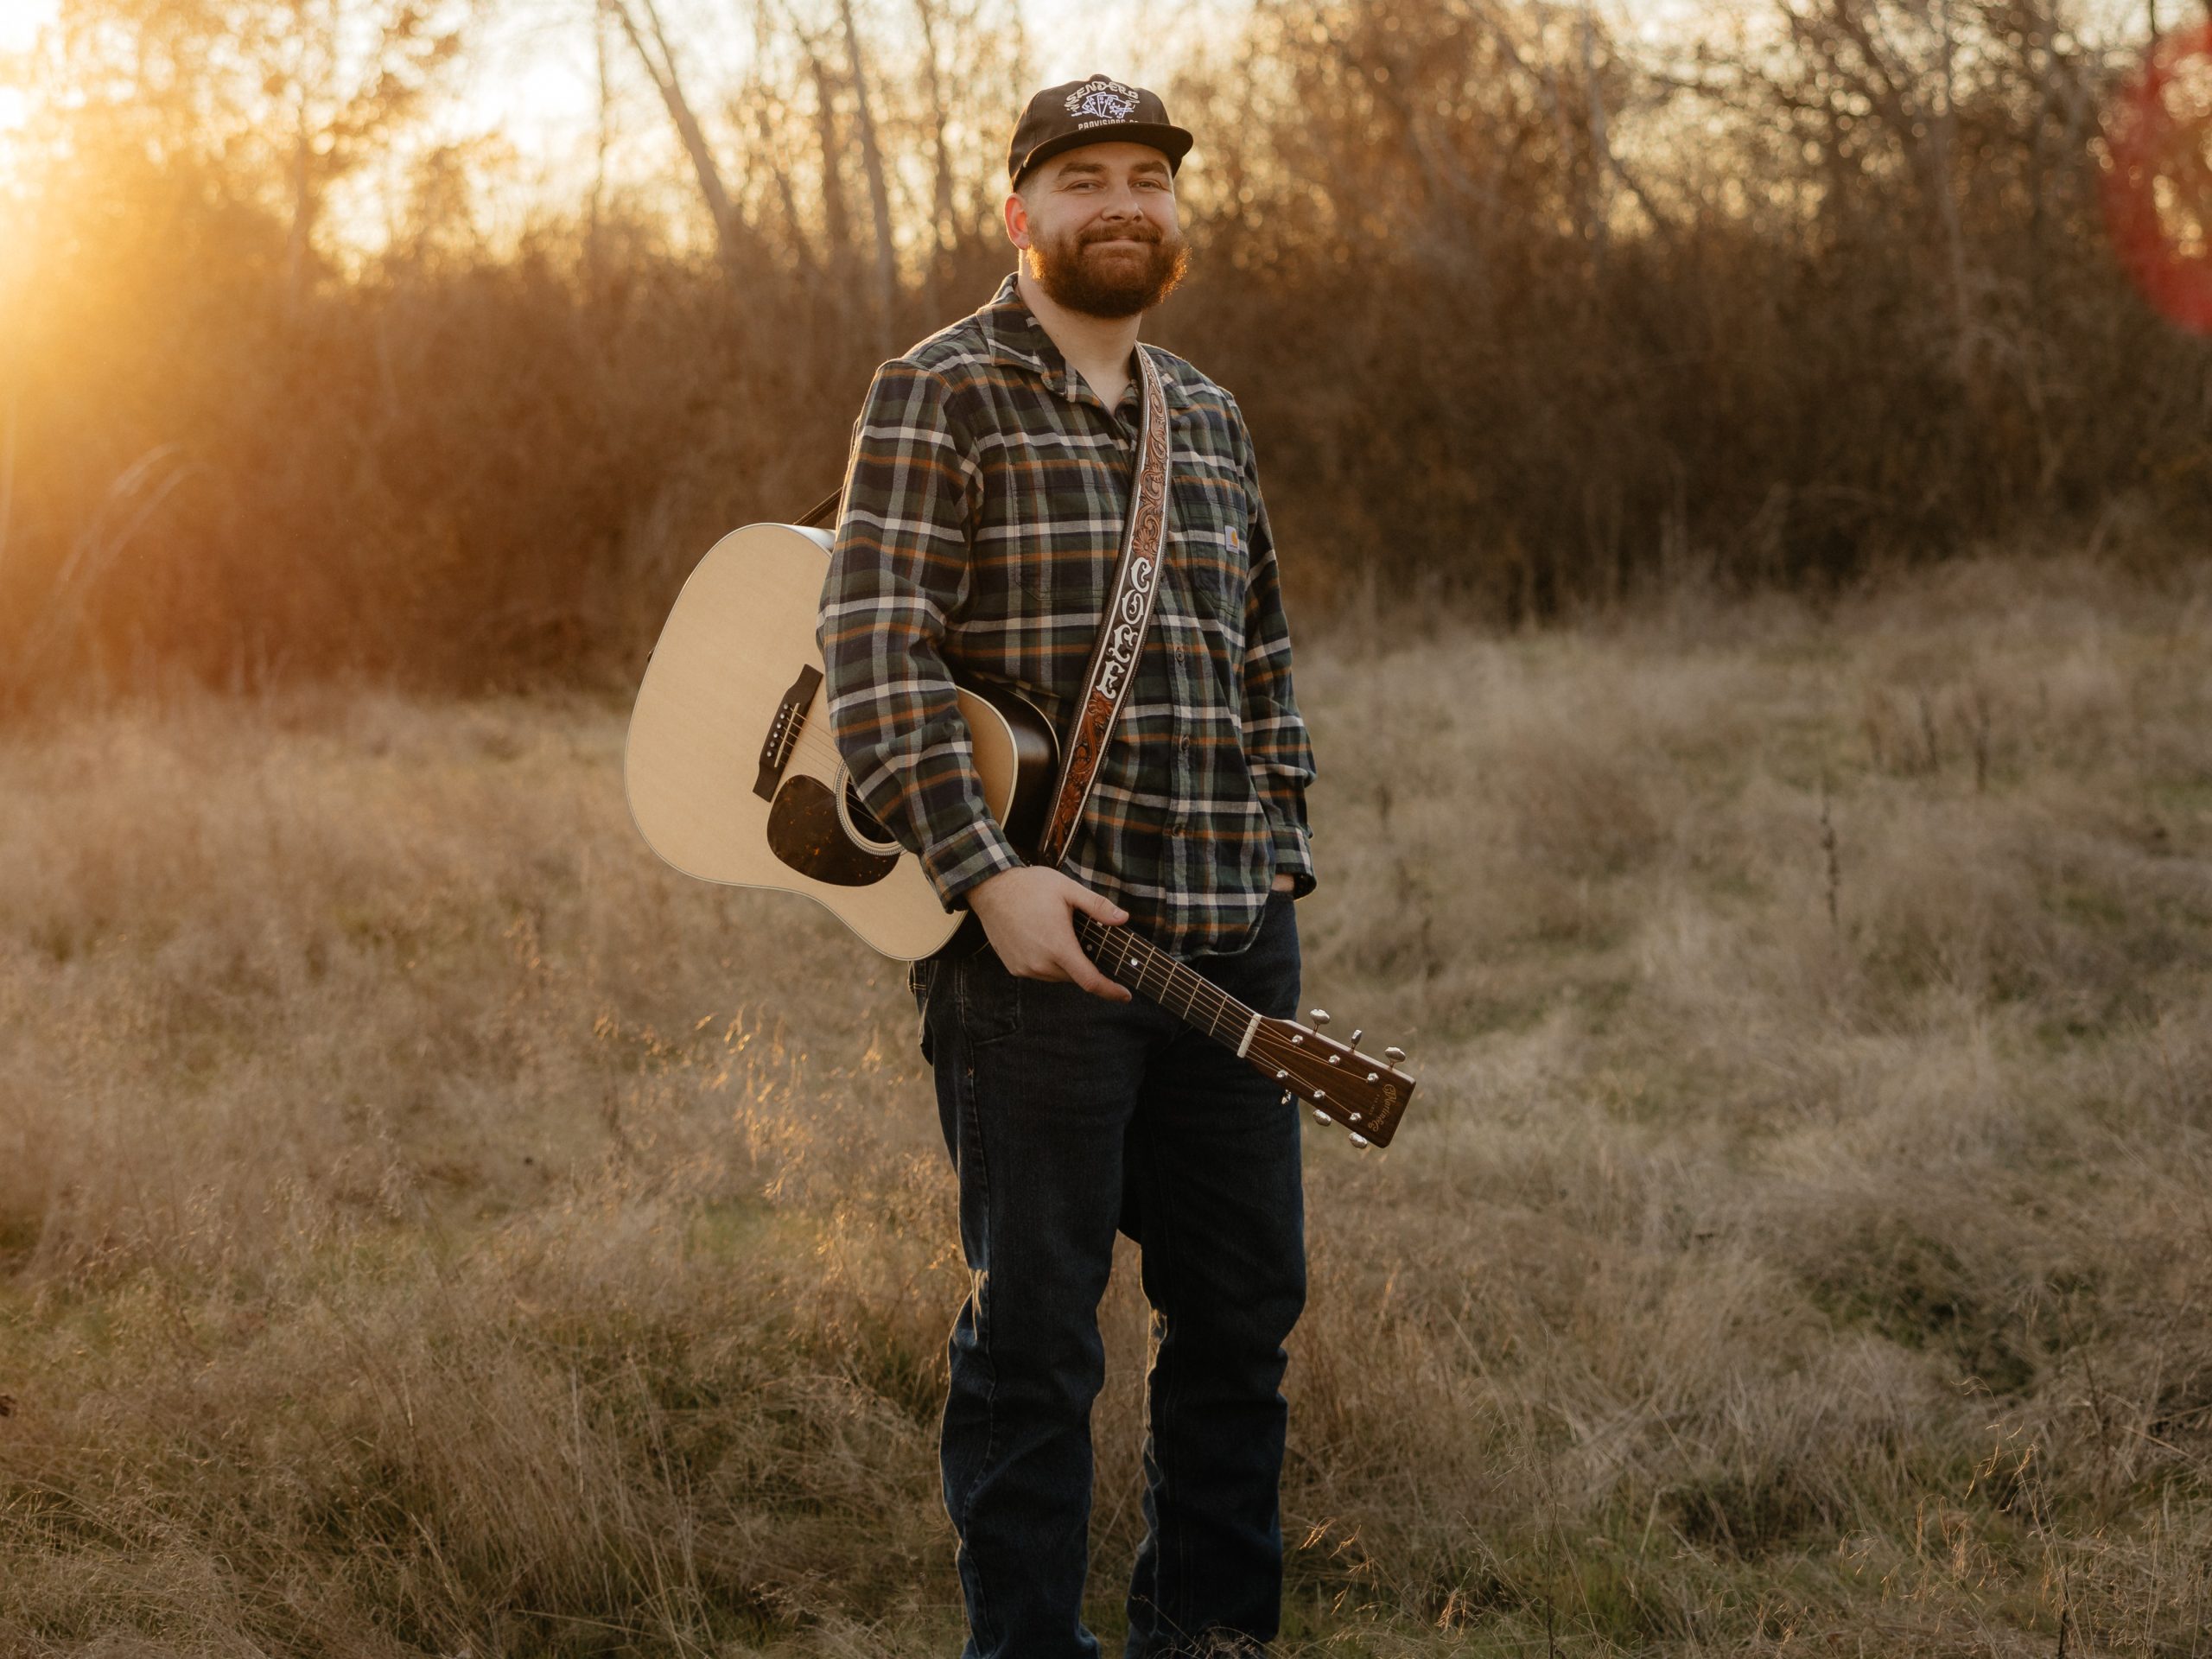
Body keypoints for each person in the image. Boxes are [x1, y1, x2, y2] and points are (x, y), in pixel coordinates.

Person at [817, 73, 1318, 1659]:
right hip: (1029, 959)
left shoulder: (1213, 415)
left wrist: (1280, 854)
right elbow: (873, 652)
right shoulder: (936, 391)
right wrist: (980, 872)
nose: (1123, 204)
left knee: (1240, 1319)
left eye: (1149, 180)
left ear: (1176, 212)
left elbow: (1264, 659)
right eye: (1085, 177)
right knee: (1035, 1343)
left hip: (1226, 942)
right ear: (1019, 211)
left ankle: (1210, 1639)